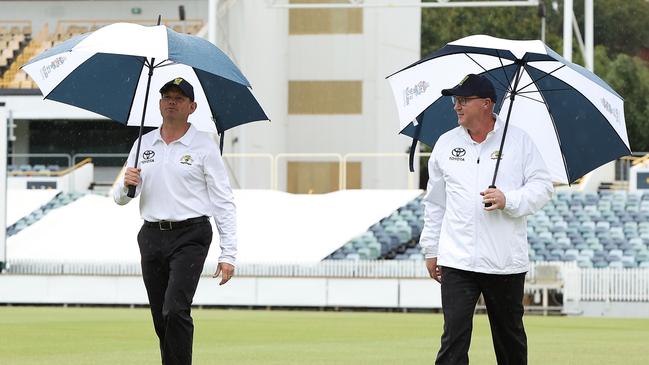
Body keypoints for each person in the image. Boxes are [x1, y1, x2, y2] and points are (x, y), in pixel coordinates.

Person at [420, 74, 553, 365]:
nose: (457, 106)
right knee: (453, 341)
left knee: (510, 342)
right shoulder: (445, 144)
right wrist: (431, 249)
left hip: (505, 261)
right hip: (457, 260)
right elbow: (435, 203)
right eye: (455, 100)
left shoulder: (519, 141)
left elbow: (543, 187)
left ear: (486, 104)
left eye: (464, 100)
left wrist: (509, 200)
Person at [114, 77, 237, 365]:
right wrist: (125, 184)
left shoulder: (204, 147)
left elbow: (223, 200)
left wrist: (228, 251)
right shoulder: (143, 143)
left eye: (179, 98)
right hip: (151, 235)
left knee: (175, 310)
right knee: (160, 316)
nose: (171, 101)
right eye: (167, 97)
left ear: (192, 107)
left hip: (191, 235)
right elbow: (122, 198)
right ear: (158, 104)